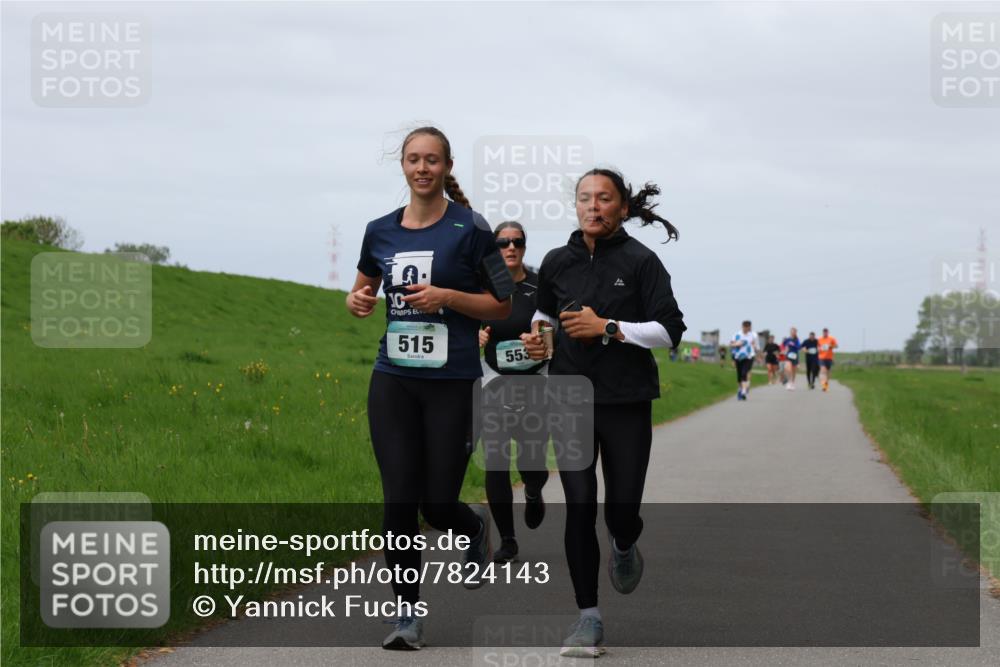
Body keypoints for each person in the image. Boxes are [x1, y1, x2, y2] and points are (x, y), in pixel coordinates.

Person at [346, 126, 515, 650]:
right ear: (403, 165)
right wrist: (356, 302)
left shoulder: (472, 229)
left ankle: (473, 528)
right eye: (414, 160)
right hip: (393, 379)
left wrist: (447, 296)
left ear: (446, 166)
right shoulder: (379, 230)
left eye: (432, 160)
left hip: (453, 381)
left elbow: (502, 304)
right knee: (398, 500)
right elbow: (363, 289)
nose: (422, 168)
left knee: (437, 503)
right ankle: (406, 615)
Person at [521, 168, 686, 658]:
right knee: (579, 505)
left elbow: (670, 330)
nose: (593, 206)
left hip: (626, 400)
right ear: (576, 206)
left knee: (621, 511)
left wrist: (608, 327)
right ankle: (588, 619)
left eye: (604, 199)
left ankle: (624, 541)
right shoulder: (555, 261)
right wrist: (537, 340)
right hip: (568, 396)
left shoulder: (642, 262)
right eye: (585, 198)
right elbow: (544, 318)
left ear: (623, 207)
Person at [479, 221, 550, 564]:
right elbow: (466, 325)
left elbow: (556, 327)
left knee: (531, 458)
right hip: (495, 380)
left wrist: (542, 339)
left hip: (536, 382)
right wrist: (474, 337)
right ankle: (507, 541)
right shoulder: (484, 288)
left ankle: (534, 488)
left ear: (524, 246)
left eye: (516, 242)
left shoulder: (540, 286)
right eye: (503, 242)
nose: (510, 247)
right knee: (495, 461)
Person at [730, 320, 758, 400]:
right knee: (739, 376)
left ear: (749, 327)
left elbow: (754, 345)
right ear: (742, 326)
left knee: (744, 373)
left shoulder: (752, 335)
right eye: (745, 327)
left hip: (748, 357)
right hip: (738, 357)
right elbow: (731, 344)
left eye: (748, 327)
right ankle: (740, 389)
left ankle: (743, 391)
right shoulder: (737, 335)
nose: (746, 329)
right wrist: (736, 344)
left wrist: (755, 350)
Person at [817, 327, 839, 391]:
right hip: (821, 357)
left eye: (826, 332)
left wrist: (830, 346)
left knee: (828, 373)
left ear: (828, 332)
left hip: (829, 358)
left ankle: (826, 385)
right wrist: (818, 349)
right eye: (824, 332)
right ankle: (823, 385)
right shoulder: (819, 339)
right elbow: (817, 347)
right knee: (823, 371)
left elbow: (836, 346)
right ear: (822, 332)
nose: (825, 333)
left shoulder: (832, 339)